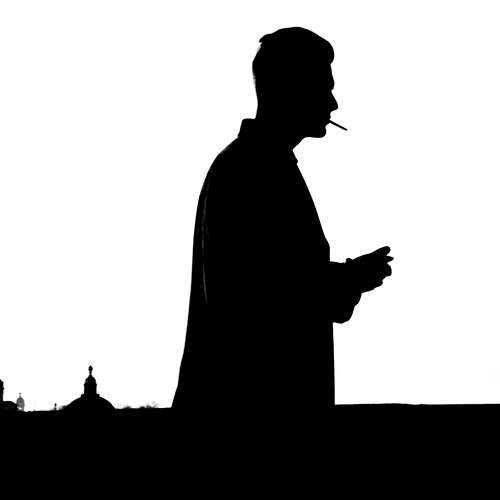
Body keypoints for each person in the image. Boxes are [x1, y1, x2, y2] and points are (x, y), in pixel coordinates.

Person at [172, 27, 393, 408]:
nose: (333, 103)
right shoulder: (250, 171)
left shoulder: (256, 166)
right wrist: (346, 280)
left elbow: (277, 277)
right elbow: (259, 297)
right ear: (290, 89)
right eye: (323, 88)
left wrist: (345, 280)